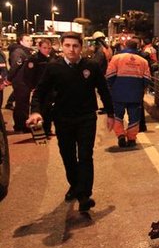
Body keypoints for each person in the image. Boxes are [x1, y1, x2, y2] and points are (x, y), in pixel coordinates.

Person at [26, 32, 115, 212]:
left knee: (85, 156)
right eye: (67, 45)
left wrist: (111, 114)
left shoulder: (91, 66)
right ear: (62, 46)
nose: (71, 49)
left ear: (81, 47)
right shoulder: (53, 68)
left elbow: (104, 90)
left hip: (86, 118)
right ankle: (75, 186)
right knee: (68, 156)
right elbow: (39, 92)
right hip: (63, 119)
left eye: (75, 46)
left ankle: (84, 195)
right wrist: (35, 111)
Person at [106, 39, 150, 147]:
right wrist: (141, 88)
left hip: (118, 94)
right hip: (136, 94)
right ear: (137, 47)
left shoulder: (116, 58)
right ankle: (131, 139)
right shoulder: (143, 61)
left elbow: (109, 75)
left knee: (118, 116)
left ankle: (120, 135)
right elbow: (147, 79)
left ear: (125, 45)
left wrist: (113, 87)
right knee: (134, 118)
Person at [25, 39, 57, 137]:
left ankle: (47, 130)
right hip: (39, 89)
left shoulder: (51, 58)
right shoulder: (34, 59)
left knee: (48, 110)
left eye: (49, 48)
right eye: (44, 48)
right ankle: (39, 131)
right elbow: (28, 75)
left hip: (50, 89)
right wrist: (32, 87)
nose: (47, 50)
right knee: (40, 109)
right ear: (39, 47)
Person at [8, 33, 34, 133]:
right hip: (20, 81)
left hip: (26, 81)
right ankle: (20, 126)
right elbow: (15, 67)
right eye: (27, 40)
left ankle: (21, 125)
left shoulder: (27, 51)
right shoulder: (19, 52)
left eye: (31, 40)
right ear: (21, 42)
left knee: (23, 104)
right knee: (21, 105)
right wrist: (8, 79)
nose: (30, 42)